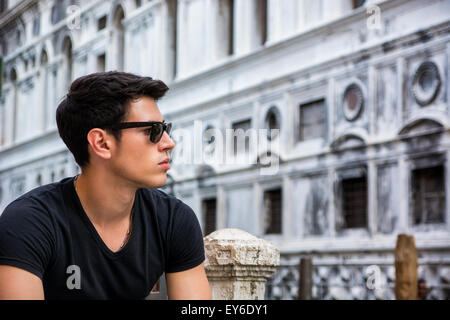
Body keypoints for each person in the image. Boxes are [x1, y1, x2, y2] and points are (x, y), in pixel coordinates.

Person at [0, 71, 212, 300]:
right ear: (101, 143)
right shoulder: (29, 223)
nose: (169, 143)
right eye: (152, 131)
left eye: (165, 129)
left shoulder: (173, 220)